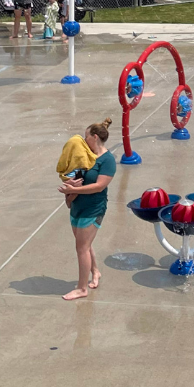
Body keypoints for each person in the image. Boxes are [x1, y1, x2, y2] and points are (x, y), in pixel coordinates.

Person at [57, 118, 116, 301]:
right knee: (84, 244)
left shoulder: (108, 160)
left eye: (86, 137)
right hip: (77, 205)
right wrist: (71, 184)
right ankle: (95, 271)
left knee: (81, 247)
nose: (83, 141)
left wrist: (74, 190)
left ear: (95, 137)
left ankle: (82, 288)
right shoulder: (86, 157)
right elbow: (76, 176)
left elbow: (99, 186)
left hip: (93, 208)